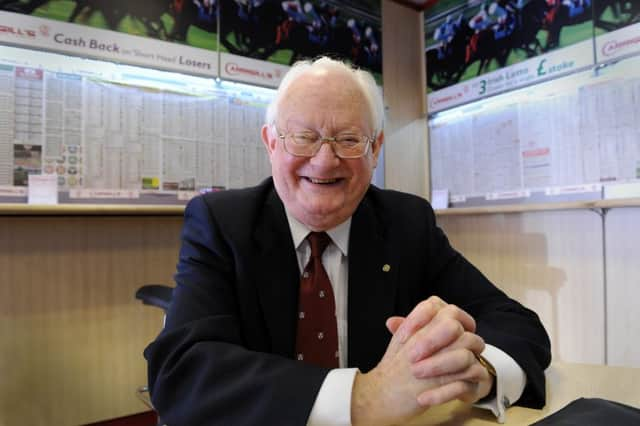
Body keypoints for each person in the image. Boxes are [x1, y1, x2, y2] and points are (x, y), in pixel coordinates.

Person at [144, 57, 551, 426]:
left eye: (349, 139)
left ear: (375, 149)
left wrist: (480, 374)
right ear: (270, 143)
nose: (324, 160)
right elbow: (181, 372)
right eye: (303, 137)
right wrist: (364, 397)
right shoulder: (221, 223)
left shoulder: (406, 223)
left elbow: (516, 324)